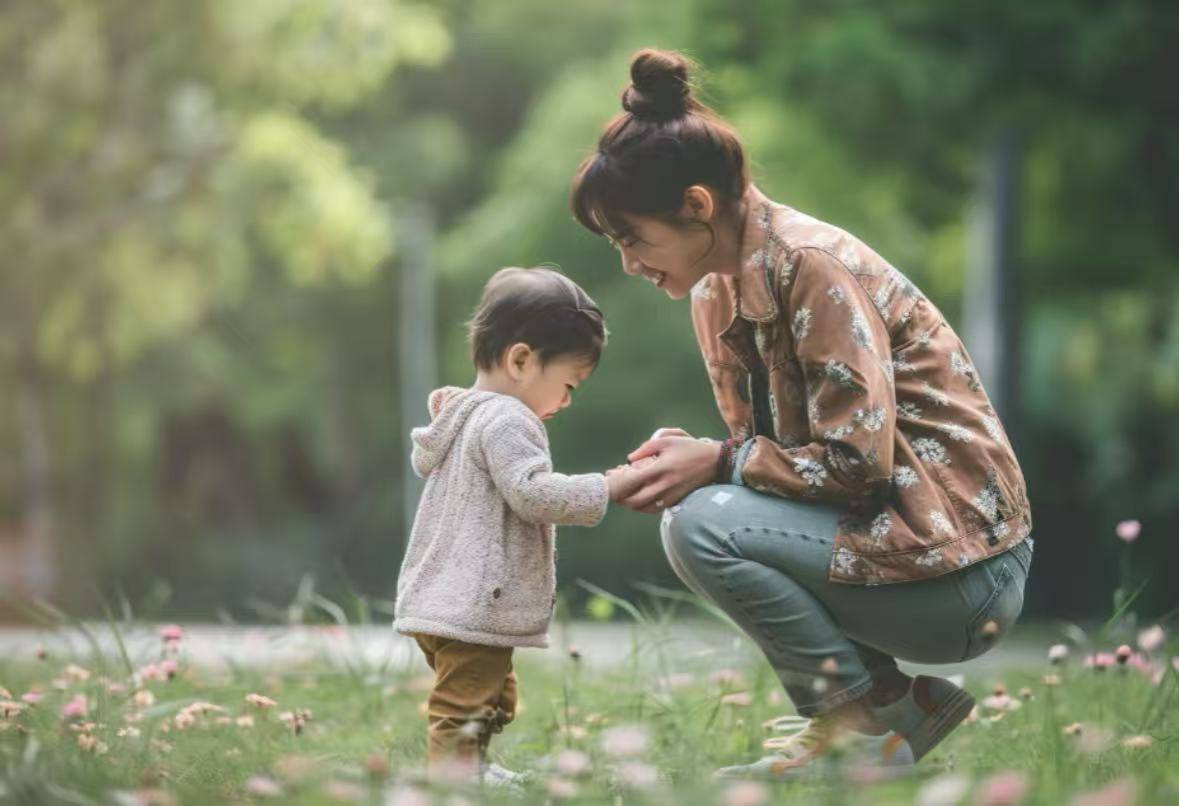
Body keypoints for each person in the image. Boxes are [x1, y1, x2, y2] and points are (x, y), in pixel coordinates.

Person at [572, 49, 1034, 779]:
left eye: (632, 238)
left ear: (697, 206)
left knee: (701, 524)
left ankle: (855, 731)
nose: (628, 263)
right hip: (901, 547)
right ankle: (891, 707)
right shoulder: (716, 290)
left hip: (966, 571)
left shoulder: (813, 266)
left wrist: (717, 463)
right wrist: (703, 460)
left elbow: (856, 467)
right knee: (700, 514)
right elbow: (779, 464)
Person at [393, 267, 630, 787]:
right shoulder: (507, 418)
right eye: (568, 384)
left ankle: (475, 770)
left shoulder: (462, 414)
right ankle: (453, 784)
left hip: (441, 598)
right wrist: (608, 487)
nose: (567, 400)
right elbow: (533, 494)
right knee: (462, 705)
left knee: (491, 693)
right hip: (472, 600)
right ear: (521, 360)